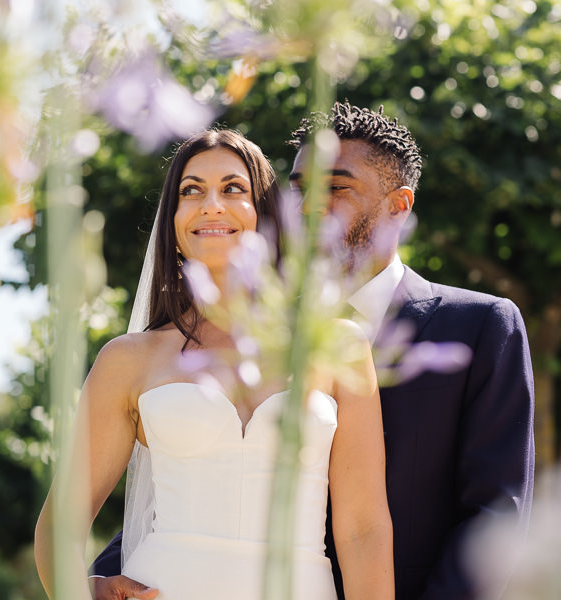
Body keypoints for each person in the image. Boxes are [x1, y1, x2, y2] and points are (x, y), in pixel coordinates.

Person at [90, 102, 535, 600]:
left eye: (336, 188)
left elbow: (495, 519)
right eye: (299, 188)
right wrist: (101, 577)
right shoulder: (259, 330)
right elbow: (200, 470)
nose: (308, 207)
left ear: (399, 205)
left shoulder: (478, 326)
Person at [34, 128, 394, 599]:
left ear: (264, 214)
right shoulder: (128, 360)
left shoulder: (338, 346)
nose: (211, 204)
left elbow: (363, 529)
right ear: (174, 221)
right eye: (191, 191)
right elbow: (61, 522)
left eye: (232, 189)